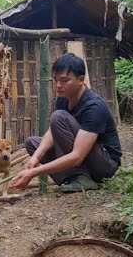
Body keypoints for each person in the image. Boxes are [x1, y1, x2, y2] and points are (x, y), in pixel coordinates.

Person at [10, 53, 122, 193]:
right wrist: (35, 159)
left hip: (104, 165)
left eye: (64, 80)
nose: (58, 85)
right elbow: (52, 131)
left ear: (81, 79)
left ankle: (83, 178)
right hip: (84, 159)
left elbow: (77, 156)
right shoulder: (63, 99)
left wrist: (34, 172)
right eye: (55, 80)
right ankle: (76, 178)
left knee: (58, 117)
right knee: (33, 143)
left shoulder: (94, 106)